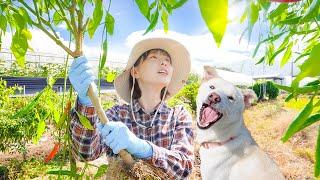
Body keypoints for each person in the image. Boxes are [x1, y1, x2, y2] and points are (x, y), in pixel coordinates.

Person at [68, 38, 194, 179]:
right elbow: (86, 153)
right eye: (153, 57)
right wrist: (87, 101)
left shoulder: (178, 116)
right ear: (135, 72)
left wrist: (143, 148)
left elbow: (184, 167)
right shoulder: (115, 115)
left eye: (168, 60)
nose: (164, 62)